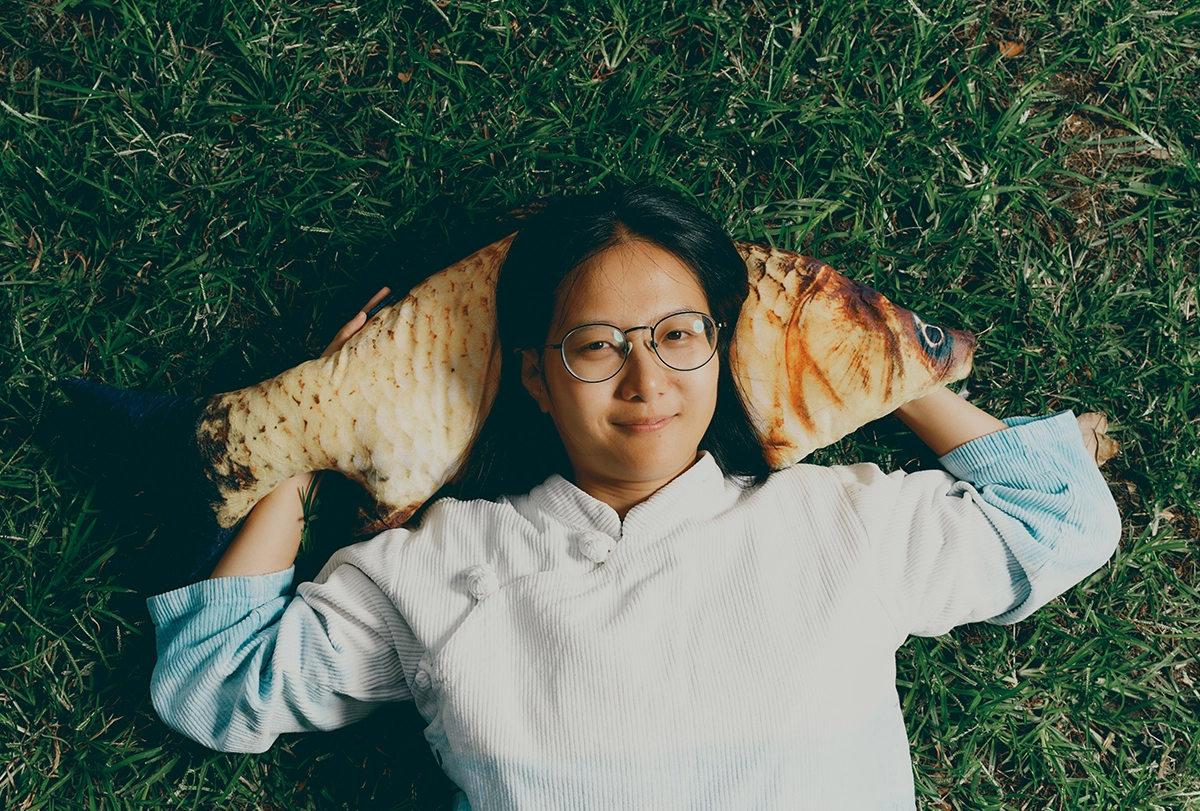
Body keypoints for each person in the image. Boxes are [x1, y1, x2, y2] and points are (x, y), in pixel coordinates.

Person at [147, 185, 1121, 810]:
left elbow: (1063, 517)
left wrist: (882, 363)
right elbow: (211, 683)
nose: (645, 383)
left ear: (722, 347)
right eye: (598, 345)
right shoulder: (440, 568)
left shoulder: (838, 522)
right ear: (536, 374)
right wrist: (316, 417)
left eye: (679, 337)